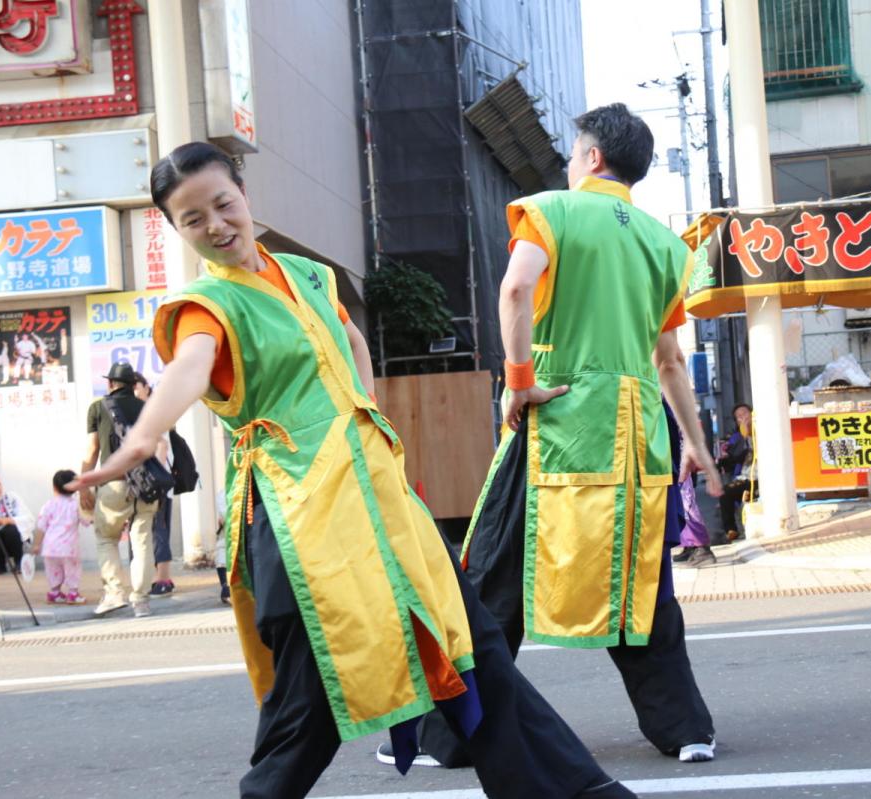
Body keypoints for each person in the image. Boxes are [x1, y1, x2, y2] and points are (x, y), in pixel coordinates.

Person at [68, 141, 634, 799]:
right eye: (193, 219)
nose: (216, 225)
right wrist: (143, 437)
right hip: (301, 521)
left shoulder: (308, 276)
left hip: (377, 499)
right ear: (177, 230)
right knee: (313, 698)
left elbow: (350, 336)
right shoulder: (207, 305)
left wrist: (365, 415)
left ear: (244, 195)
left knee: (471, 644)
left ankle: (577, 789)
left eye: (222, 204)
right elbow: (191, 365)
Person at [416, 104, 722, 770]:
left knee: (494, 574)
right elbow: (668, 358)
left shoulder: (549, 210)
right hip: (638, 431)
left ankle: (453, 732)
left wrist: (517, 379)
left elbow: (516, 288)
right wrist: (695, 440)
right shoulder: (668, 246)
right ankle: (686, 728)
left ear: (591, 157)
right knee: (640, 583)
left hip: (558, 419)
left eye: (572, 152)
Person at [80, 361, 161, 618]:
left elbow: (92, 450)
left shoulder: (97, 407)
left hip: (113, 483)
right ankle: (141, 601)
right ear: (132, 384)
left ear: (110, 384)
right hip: (145, 483)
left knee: (106, 538)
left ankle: (115, 594)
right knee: (143, 541)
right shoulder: (147, 408)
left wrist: (85, 484)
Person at [134, 373, 176, 598]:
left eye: (136, 386)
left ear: (146, 388)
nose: (133, 391)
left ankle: (163, 578)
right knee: (148, 531)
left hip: (156, 482)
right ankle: (154, 578)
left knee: (159, 530)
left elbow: (162, 445)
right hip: (145, 482)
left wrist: (154, 475)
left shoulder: (152, 410)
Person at [32, 469, 87, 605]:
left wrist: (37, 544)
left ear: (54, 487)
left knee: (53, 570)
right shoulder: (76, 505)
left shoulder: (48, 505)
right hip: (69, 547)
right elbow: (86, 520)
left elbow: (41, 526)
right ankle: (73, 593)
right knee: (72, 569)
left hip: (50, 547)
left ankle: (54, 592)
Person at [716, 403, 755, 543]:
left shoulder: (762, 428)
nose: (743, 418)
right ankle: (731, 530)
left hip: (759, 478)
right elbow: (736, 455)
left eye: (745, 413)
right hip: (746, 478)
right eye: (739, 417)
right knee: (725, 492)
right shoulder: (739, 437)